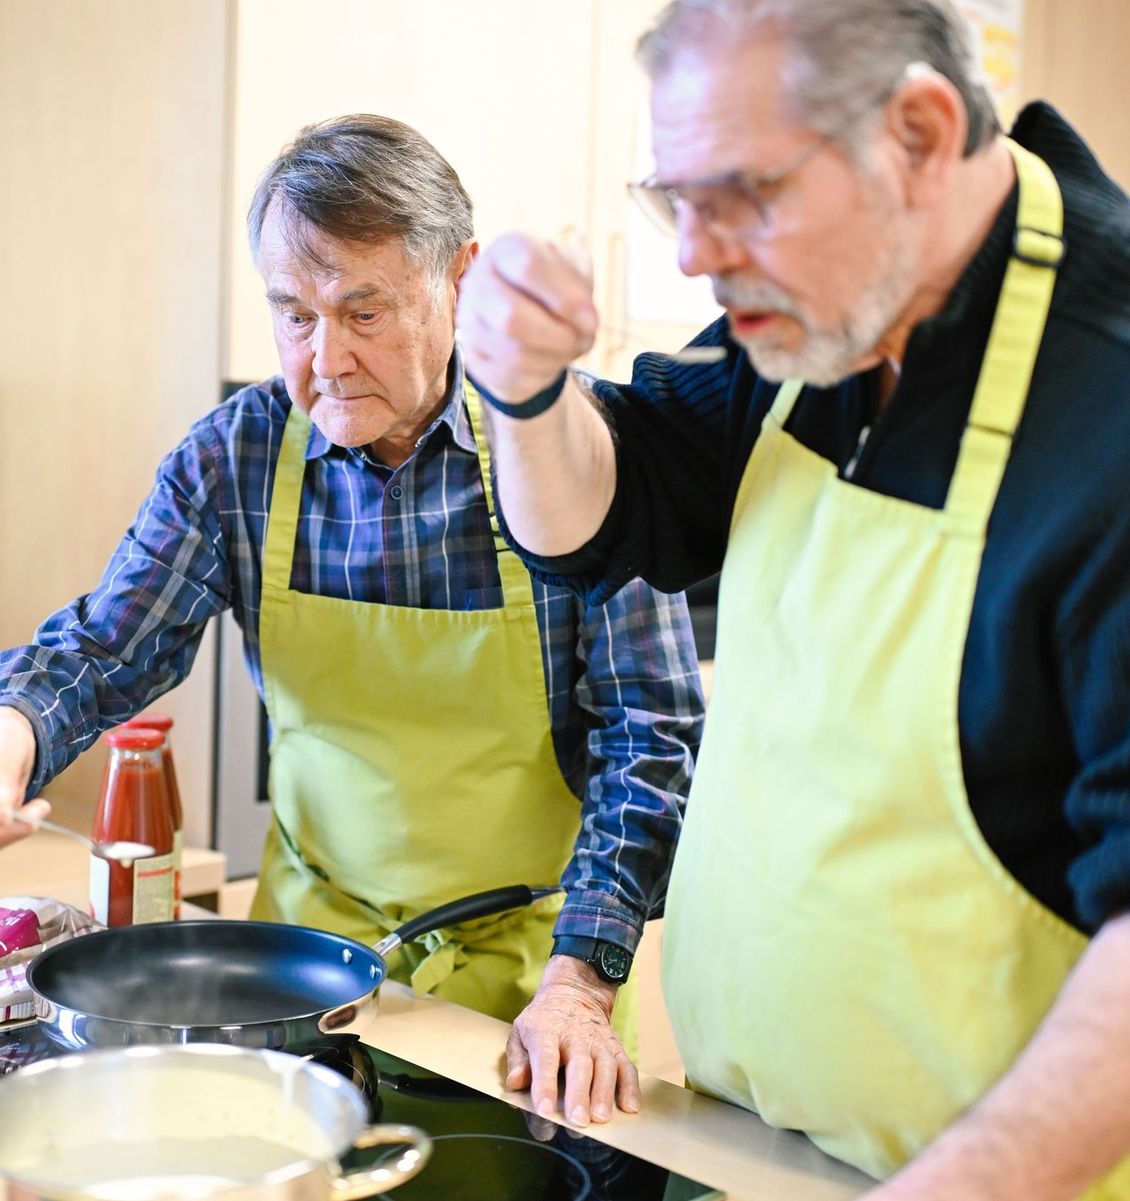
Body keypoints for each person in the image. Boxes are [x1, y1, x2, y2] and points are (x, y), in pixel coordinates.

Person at [455, 0, 1130, 1196]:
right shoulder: (822, 316)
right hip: (730, 1138)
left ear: (919, 135)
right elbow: (601, 519)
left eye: (742, 196)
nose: (692, 256)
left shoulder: (1105, 396)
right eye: (675, 202)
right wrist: (520, 389)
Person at [0, 114, 705, 1126]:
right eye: (292, 313)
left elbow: (653, 734)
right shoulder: (237, 459)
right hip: (297, 980)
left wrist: (581, 981)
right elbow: (105, 645)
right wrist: (3, 730)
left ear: (458, 278)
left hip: (533, 993)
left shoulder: (571, 447)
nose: (324, 356)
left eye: (363, 310)